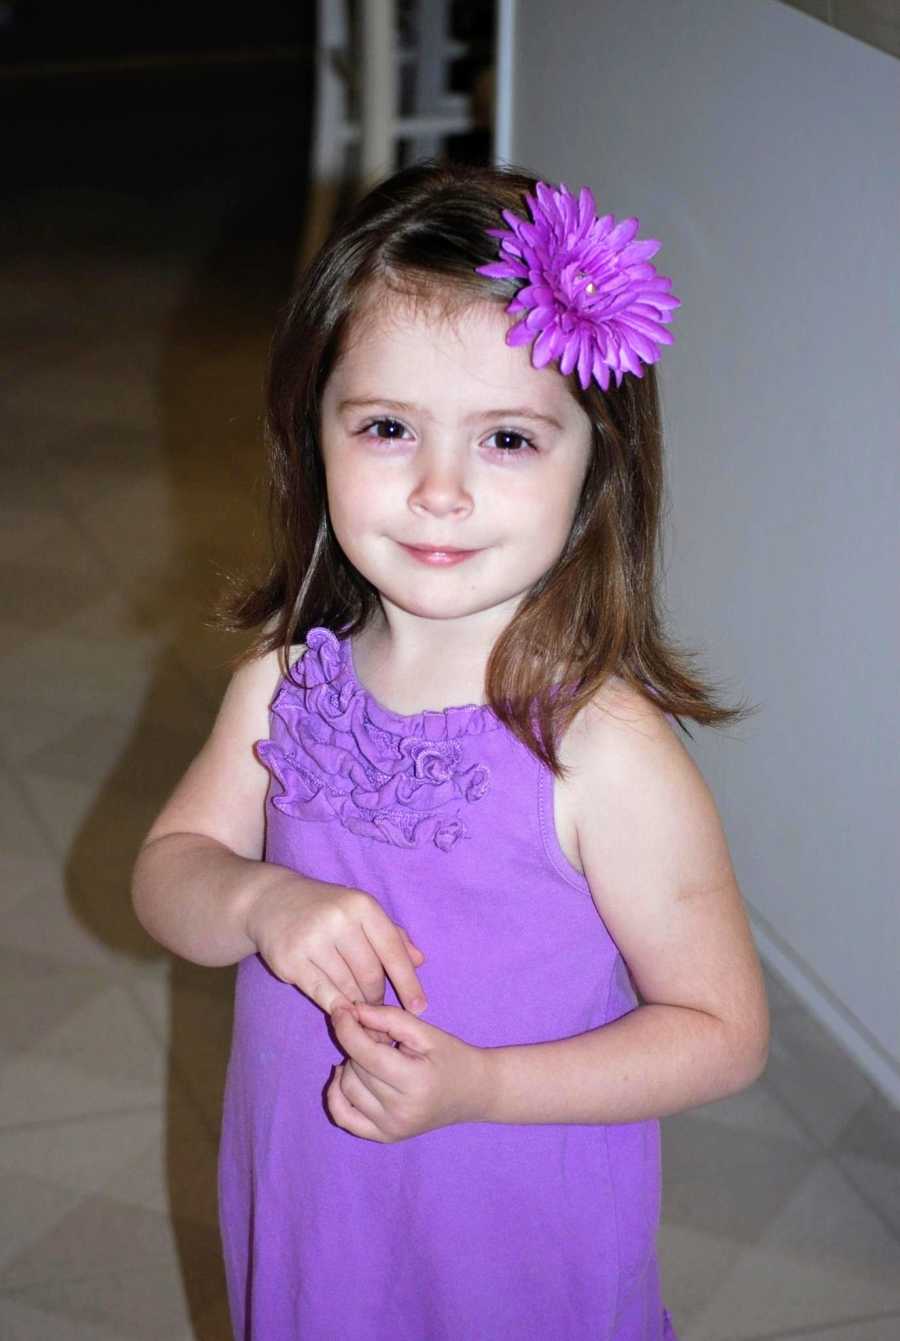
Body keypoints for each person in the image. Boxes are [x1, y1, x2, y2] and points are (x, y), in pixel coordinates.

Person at [132, 162, 770, 1341]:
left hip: (511, 1232)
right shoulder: (284, 686)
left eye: (509, 440)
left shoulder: (604, 754)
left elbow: (723, 1031)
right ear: (311, 432)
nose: (438, 490)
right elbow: (169, 871)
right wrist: (255, 895)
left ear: (597, 467)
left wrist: (483, 1087)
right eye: (386, 427)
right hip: (317, 1204)